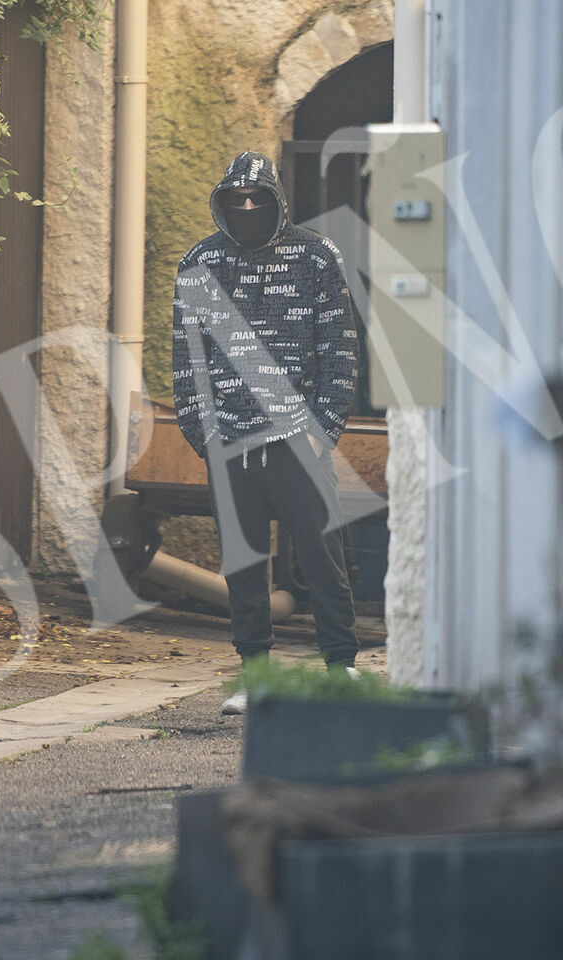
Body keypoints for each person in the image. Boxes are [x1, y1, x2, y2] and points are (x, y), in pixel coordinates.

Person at [171, 150, 362, 715]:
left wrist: (320, 431)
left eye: (258, 200)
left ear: (277, 201)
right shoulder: (200, 264)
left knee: (322, 550)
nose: (248, 208)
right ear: (223, 204)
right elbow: (188, 359)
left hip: (298, 437)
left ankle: (341, 666)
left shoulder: (316, 256)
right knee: (243, 562)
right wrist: (205, 435)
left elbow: (340, 351)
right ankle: (255, 673)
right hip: (229, 438)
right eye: (238, 201)